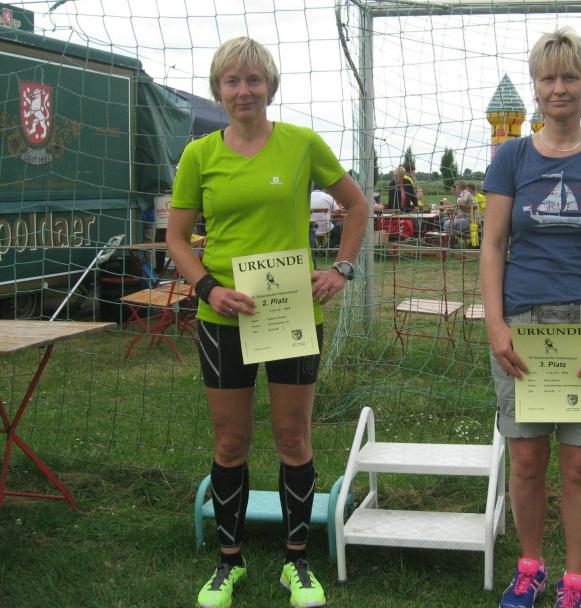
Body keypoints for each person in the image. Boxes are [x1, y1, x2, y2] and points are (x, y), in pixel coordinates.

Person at [166, 36, 368, 608]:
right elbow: (176, 239)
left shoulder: (302, 144)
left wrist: (341, 269)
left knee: (293, 438)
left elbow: (358, 206)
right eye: (232, 81)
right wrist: (209, 287)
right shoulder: (199, 155)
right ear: (218, 89)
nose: (244, 91)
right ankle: (229, 564)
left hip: (289, 313)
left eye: (253, 80)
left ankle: (296, 562)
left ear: (270, 86)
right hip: (222, 317)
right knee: (231, 441)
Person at [480, 28, 581, 608]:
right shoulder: (511, 157)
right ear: (535, 86)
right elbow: (492, 246)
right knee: (526, 459)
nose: (559, 88)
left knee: (580, 464)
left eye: (570, 76)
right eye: (548, 77)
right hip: (521, 324)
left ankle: (575, 581)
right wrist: (495, 325)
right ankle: (530, 568)